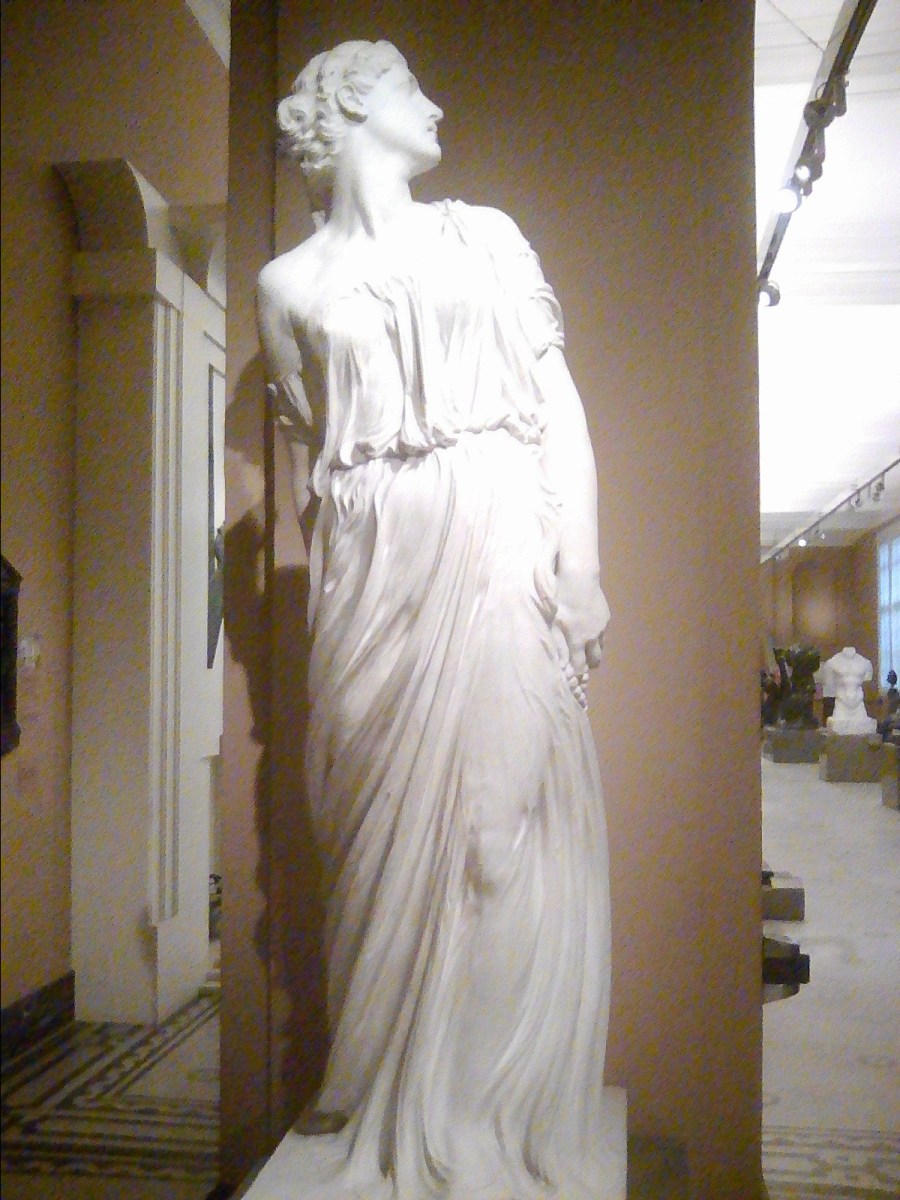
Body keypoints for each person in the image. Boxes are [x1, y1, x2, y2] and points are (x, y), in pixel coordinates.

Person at [257, 40, 616, 1197]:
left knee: (495, 832)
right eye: (414, 89)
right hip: (373, 582)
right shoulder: (285, 287)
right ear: (356, 104)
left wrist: (582, 564)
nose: (438, 105)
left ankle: (481, 1116)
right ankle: (384, 1091)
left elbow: (558, 403)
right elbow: (316, 461)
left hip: (500, 539)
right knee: (373, 846)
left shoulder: (486, 237)